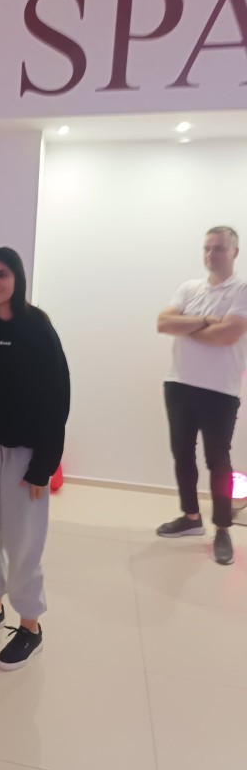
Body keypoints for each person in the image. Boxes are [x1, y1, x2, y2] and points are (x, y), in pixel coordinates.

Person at [0, 247, 70, 670]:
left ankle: (30, 627)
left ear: (17, 278)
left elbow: (58, 397)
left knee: (24, 541)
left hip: (27, 455)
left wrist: (45, 465)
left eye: (1, 274)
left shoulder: (38, 327)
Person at [156, 226, 247, 566]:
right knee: (182, 454)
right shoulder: (189, 288)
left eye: (219, 248)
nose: (211, 254)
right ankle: (191, 518)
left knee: (217, 461)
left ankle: (222, 528)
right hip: (178, 383)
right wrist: (207, 320)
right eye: (207, 248)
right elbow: (163, 323)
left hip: (221, 390)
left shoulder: (242, 289)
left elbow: (227, 335)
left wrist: (187, 326)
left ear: (234, 252)